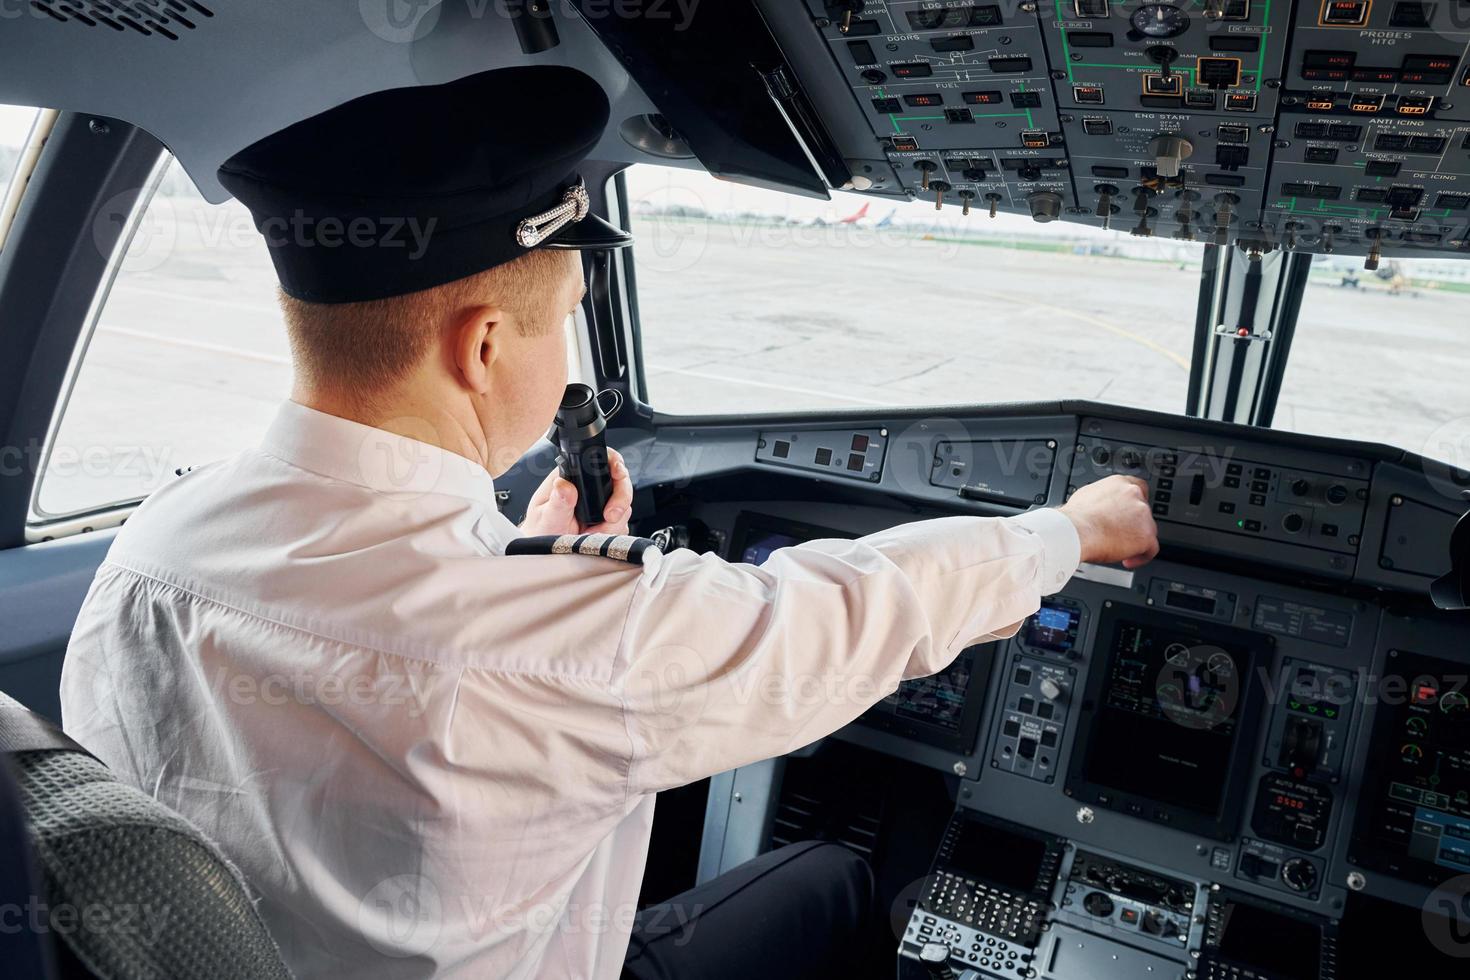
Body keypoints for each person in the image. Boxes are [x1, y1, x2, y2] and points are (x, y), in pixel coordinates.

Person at [60, 66, 1158, 979]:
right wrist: (1070, 529)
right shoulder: (550, 636)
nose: (570, 363)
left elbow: (384, 607)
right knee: (832, 879)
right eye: (568, 324)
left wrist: (516, 546)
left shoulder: (150, 550)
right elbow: (840, 616)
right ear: (484, 347)